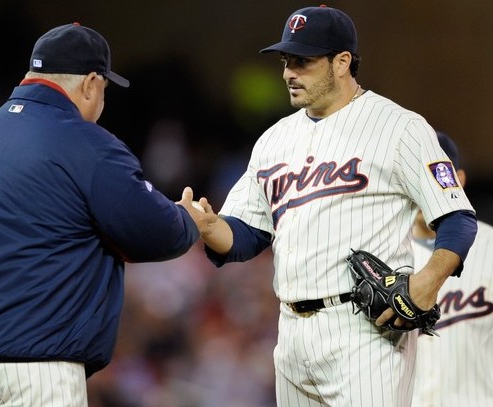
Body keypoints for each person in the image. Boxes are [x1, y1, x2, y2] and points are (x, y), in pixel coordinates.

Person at [0, 23, 214, 407]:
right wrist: (188, 219)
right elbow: (152, 232)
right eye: (103, 89)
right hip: (39, 367)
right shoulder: (87, 143)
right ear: (90, 83)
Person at [188, 5, 478, 407]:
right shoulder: (273, 139)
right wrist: (207, 227)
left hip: (363, 329)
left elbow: (458, 218)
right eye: (287, 60)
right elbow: (246, 236)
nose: (289, 71)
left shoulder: (400, 127)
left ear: (342, 62)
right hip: (290, 333)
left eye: (303, 61)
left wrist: (428, 282)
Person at [412, 132, 493, 406]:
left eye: (437, 178)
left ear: (459, 181)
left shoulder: (490, 246)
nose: (427, 190)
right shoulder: (380, 252)